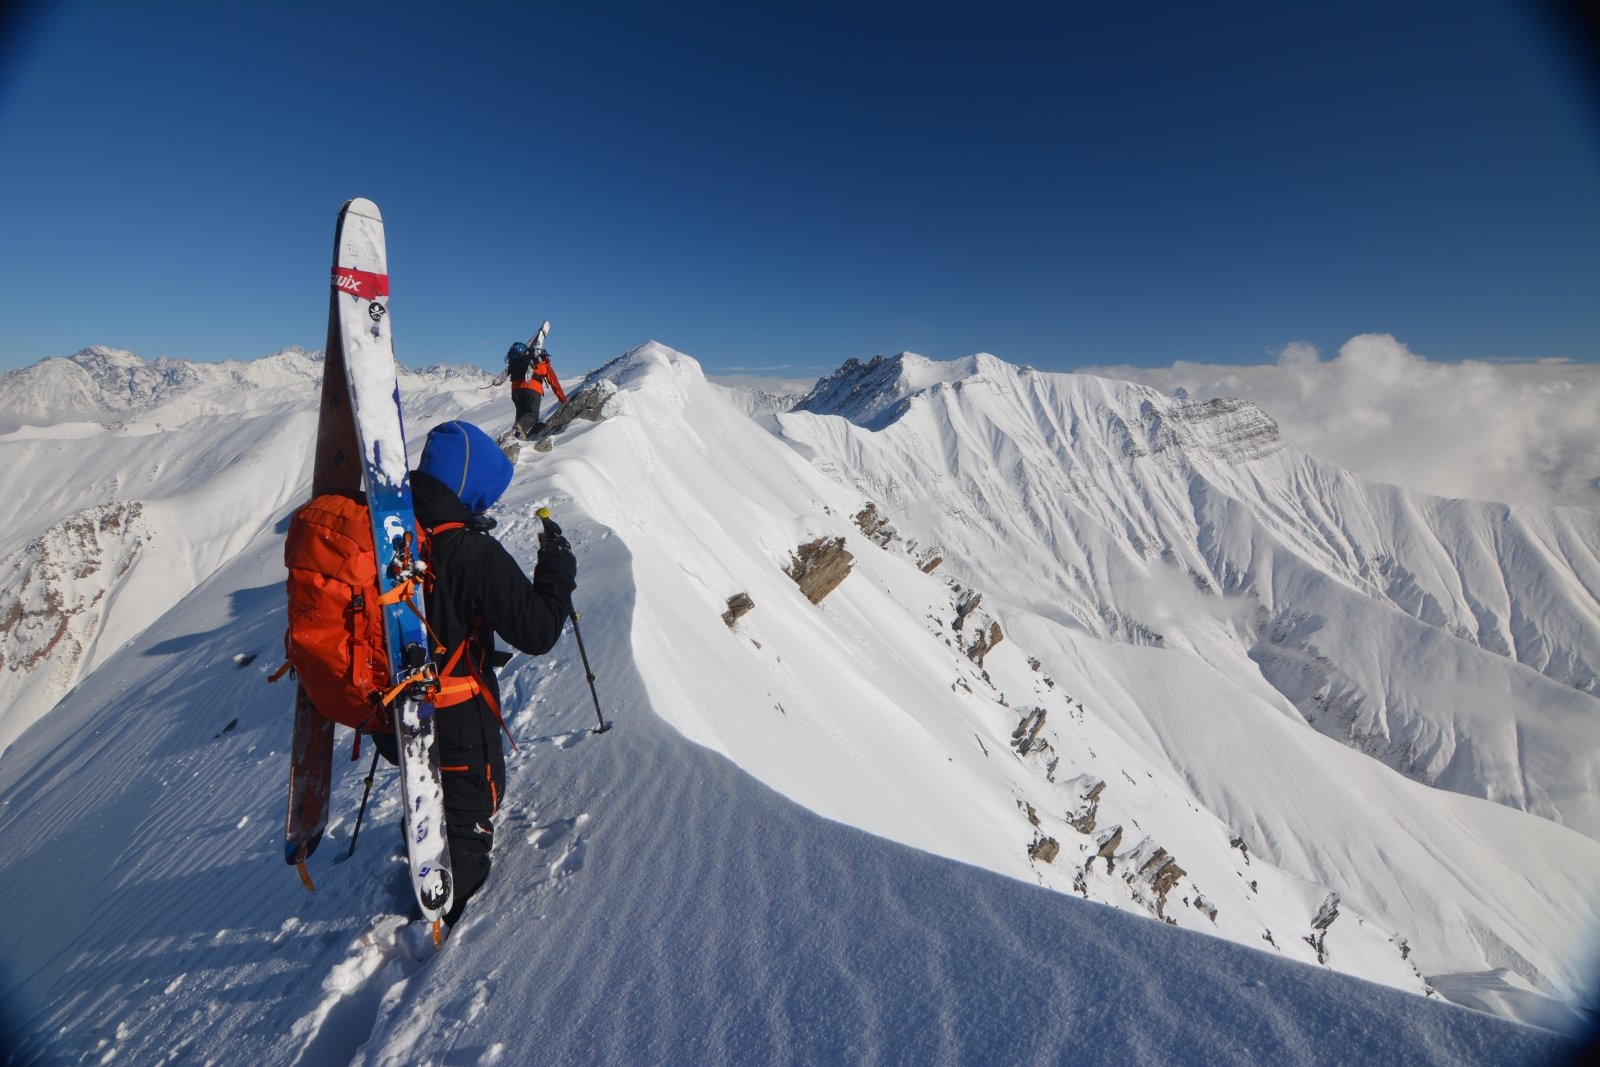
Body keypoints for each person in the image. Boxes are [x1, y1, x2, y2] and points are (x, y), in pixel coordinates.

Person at [372, 419, 577, 928]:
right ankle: (446, 930)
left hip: (392, 714)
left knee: (425, 797)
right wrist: (557, 570)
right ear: (470, 487)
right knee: (463, 836)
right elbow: (538, 632)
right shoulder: (471, 551)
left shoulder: (387, 532)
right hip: (458, 721)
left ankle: (422, 848)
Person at [505, 341, 568, 439]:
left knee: (521, 414)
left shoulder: (522, 363)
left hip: (515, 390)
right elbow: (555, 385)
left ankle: (516, 437)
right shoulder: (543, 365)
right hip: (531, 390)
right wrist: (563, 399)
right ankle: (519, 427)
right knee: (532, 415)